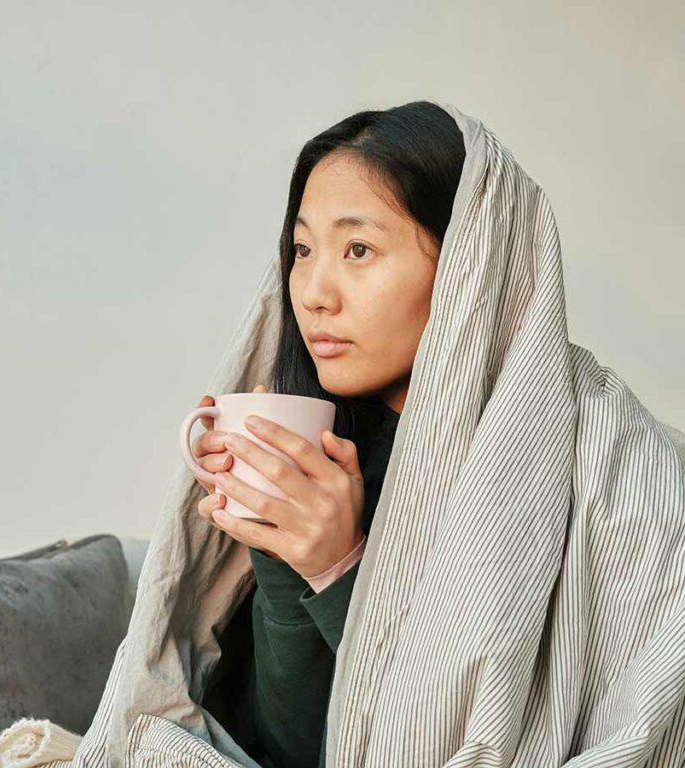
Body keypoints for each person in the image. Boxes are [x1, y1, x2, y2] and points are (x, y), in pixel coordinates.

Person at [189, 101, 465, 768]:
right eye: (303, 250)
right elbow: (295, 749)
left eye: (359, 249)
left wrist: (341, 569)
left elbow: (482, 739)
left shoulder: (565, 457)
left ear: (466, 263)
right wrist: (282, 553)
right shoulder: (339, 449)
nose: (313, 293)